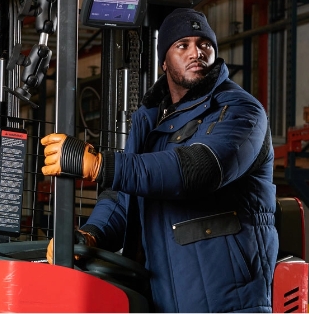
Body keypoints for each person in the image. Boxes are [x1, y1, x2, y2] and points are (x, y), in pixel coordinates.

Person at [41, 7, 279, 313]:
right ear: (164, 61)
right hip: (163, 298)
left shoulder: (239, 110)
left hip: (229, 303)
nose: (196, 52)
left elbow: (198, 169)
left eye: (204, 44)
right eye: (183, 45)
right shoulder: (149, 121)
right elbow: (125, 195)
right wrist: (92, 234)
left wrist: (102, 166)